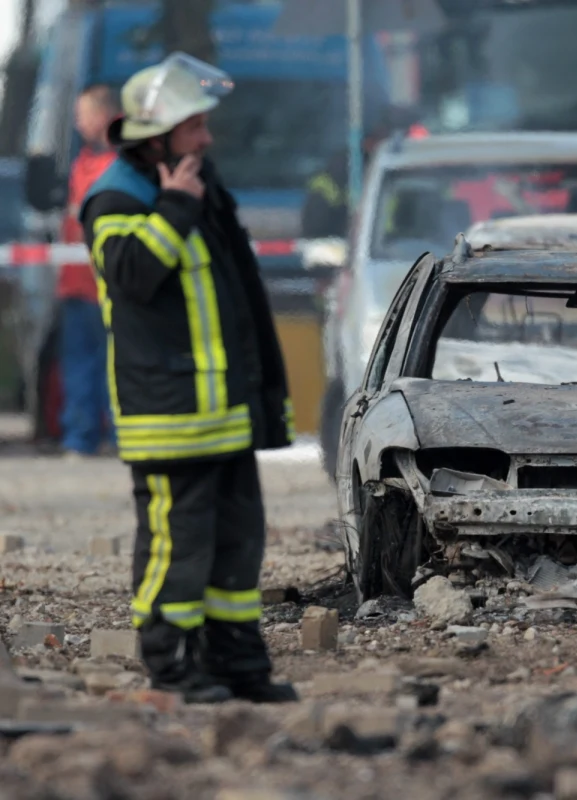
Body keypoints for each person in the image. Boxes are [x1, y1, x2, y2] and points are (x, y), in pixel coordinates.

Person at [79, 53, 298, 704]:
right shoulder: (119, 194)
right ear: (160, 133)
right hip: (171, 416)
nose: (206, 138)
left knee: (236, 546)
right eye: (194, 126)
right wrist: (175, 206)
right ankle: (172, 666)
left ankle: (236, 664)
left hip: (223, 411)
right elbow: (131, 277)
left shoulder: (198, 184)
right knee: (178, 547)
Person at [57, 85, 119, 458]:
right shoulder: (85, 160)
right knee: (79, 366)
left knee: (114, 365)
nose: (79, 124)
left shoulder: (122, 162)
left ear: (102, 115)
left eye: (83, 115)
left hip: (109, 285)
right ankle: (80, 438)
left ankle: (118, 436)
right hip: (77, 284)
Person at [301, 105, 421, 239]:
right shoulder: (345, 167)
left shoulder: (417, 172)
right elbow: (316, 217)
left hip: (404, 252)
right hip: (348, 249)